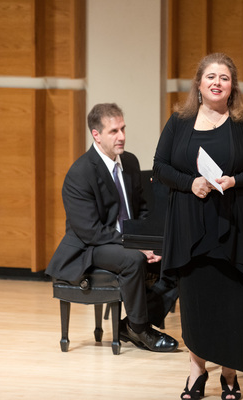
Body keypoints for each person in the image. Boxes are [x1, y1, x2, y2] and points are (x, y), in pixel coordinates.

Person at [153, 53, 243, 400]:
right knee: (196, 302)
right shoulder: (179, 121)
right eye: (211, 77)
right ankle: (196, 373)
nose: (217, 82)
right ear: (199, 84)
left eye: (224, 77)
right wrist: (190, 183)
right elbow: (159, 165)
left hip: (235, 223)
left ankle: (230, 376)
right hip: (191, 225)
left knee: (234, 302)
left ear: (232, 85)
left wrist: (234, 180)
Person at [46, 103, 179, 353]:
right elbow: (91, 231)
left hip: (123, 240)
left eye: (123, 129)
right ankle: (141, 330)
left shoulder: (129, 162)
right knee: (132, 260)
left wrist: (149, 242)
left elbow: (141, 209)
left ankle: (132, 323)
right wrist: (136, 247)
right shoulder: (80, 173)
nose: (122, 137)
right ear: (96, 135)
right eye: (114, 131)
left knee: (176, 256)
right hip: (91, 247)